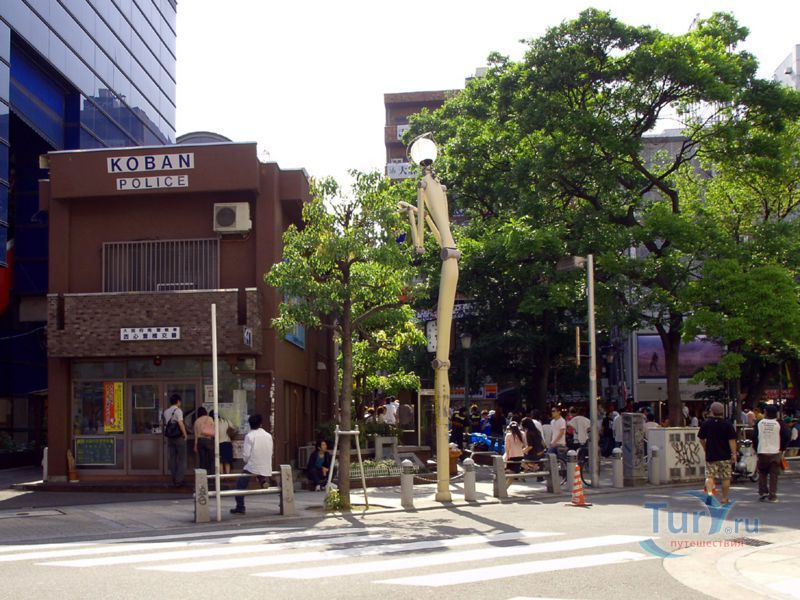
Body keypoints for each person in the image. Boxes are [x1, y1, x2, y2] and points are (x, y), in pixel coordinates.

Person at [230, 414, 274, 515]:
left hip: (253, 465)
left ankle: (240, 507)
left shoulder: (249, 436)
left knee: (239, 486)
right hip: (266, 464)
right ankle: (262, 480)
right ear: (261, 424)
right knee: (260, 470)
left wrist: (247, 461)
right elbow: (271, 451)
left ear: (250, 424)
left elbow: (246, 455)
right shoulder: (268, 436)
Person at [697, 401, 737, 505]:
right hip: (725, 455)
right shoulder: (727, 424)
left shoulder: (706, 424)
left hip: (711, 455)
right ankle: (724, 498)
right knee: (726, 477)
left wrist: (706, 448)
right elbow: (732, 440)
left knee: (709, 476)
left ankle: (710, 494)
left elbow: (701, 439)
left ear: (712, 411)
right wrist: (734, 454)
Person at [753, 405, 790, 503]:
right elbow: (787, 435)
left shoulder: (759, 423)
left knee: (762, 472)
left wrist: (756, 448)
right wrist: (782, 448)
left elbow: (754, 437)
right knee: (774, 475)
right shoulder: (780, 424)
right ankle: (772, 495)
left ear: (765, 412)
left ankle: (763, 492)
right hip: (775, 452)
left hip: (762, 451)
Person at [162, 393, 187, 487]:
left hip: (170, 437)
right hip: (178, 437)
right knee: (182, 458)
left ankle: (174, 478)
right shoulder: (178, 411)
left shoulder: (166, 411)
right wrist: (185, 434)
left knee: (172, 458)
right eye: (180, 401)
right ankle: (179, 480)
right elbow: (180, 423)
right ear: (178, 401)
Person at [209, 410, 234, 474]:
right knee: (227, 461)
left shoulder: (213, 422)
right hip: (228, 442)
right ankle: (228, 474)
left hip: (219, 443)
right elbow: (233, 428)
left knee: (220, 461)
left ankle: (221, 475)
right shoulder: (226, 421)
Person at [193, 406, 215, 476]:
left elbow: (196, 435)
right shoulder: (210, 419)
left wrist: (195, 445)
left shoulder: (196, 421)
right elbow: (214, 429)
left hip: (200, 441)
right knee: (211, 460)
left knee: (202, 461)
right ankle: (212, 477)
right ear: (205, 412)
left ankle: (202, 477)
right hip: (209, 440)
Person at [503, 421, 526, 486]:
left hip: (511, 456)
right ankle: (520, 475)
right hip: (520, 455)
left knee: (510, 473)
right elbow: (524, 445)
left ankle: (504, 487)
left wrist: (507, 457)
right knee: (513, 472)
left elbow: (507, 448)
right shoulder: (522, 433)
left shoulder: (508, 435)